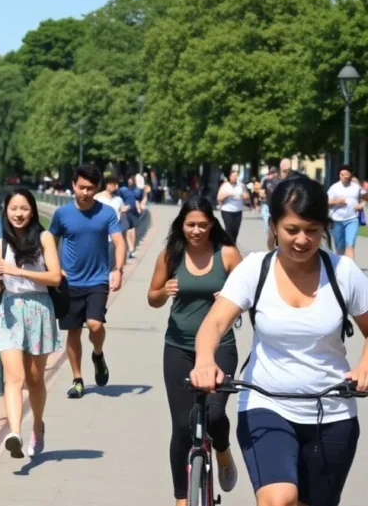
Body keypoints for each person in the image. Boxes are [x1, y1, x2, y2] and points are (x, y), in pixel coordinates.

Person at [190, 175, 368, 506]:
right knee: (279, 500)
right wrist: (205, 361)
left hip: (333, 412)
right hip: (266, 404)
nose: (302, 239)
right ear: (273, 226)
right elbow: (214, 323)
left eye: (312, 230)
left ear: (324, 228)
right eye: (292, 229)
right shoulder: (255, 270)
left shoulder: (344, 273)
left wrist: (365, 365)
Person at [147, 196, 243, 505]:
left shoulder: (227, 254)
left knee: (214, 414)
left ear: (213, 224)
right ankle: (181, 499)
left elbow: (248, 299)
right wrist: (164, 292)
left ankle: (223, 450)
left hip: (221, 348)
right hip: (178, 347)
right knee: (182, 426)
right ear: (181, 225)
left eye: (203, 224)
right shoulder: (170, 255)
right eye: (191, 225)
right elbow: (152, 297)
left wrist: (230, 301)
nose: (197, 231)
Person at [0, 187, 63, 459]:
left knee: (34, 379)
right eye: (13, 209)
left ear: (32, 211)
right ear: (5, 212)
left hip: (39, 310)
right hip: (9, 312)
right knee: (14, 378)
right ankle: (15, 433)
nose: (18, 214)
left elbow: (55, 277)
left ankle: (38, 428)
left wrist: (16, 270)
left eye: (24, 209)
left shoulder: (44, 238)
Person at [49, 164, 127, 399]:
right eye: (81, 187)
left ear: (97, 189)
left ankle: (98, 353)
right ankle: (78, 379)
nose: (85, 192)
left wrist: (118, 269)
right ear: (73, 185)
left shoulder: (106, 213)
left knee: (95, 325)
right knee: (73, 332)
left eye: (90, 188)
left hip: (97, 280)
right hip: (69, 282)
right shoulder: (62, 214)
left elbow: (120, 242)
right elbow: (50, 242)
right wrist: (55, 269)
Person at [327, 164, 365, 259]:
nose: (344, 176)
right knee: (340, 248)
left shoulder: (356, 187)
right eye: (342, 174)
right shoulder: (334, 188)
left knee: (350, 245)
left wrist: (361, 205)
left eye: (346, 174)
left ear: (350, 175)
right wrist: (337, 201)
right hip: (337, 221)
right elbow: (326, 201)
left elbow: (365, 197)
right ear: (339, 175)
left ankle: (350, 268)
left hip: (352, 219)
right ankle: (340, 267)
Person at [259, 159, 294, 250]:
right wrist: (262, 194)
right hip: (268, 206)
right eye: (285, 170)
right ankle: (272, 251)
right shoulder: (268, 181)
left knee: (280, 231)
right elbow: (261, 191)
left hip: (282, 207)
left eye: (289, 170)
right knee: (270, 230)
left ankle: (279, 248)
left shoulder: (287, 181)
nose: (287, 172)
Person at [217, 169, 248, 242]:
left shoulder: (240, 185)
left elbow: (247, 196)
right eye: (233, 176)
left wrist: (244, 195)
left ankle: (233, 245)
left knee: (235, 230)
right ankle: (227, 246)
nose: (235, 177)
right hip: (227, 210)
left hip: (238, 210)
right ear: (229, 177)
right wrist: (228, 194)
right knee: (229, 230)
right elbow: (219, 198)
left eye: (236, 176)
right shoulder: (225, 185)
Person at [118, 175, 141, 258]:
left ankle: (132, 248)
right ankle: (131, 248)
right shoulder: (124, 190)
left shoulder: (136, 190)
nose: (130, 181)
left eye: (131, 180)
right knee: (128, 230)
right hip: (127, 211)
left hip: (133, 211)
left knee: (132, 229)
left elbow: (138, 199)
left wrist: (138, 206)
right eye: (129, 180)